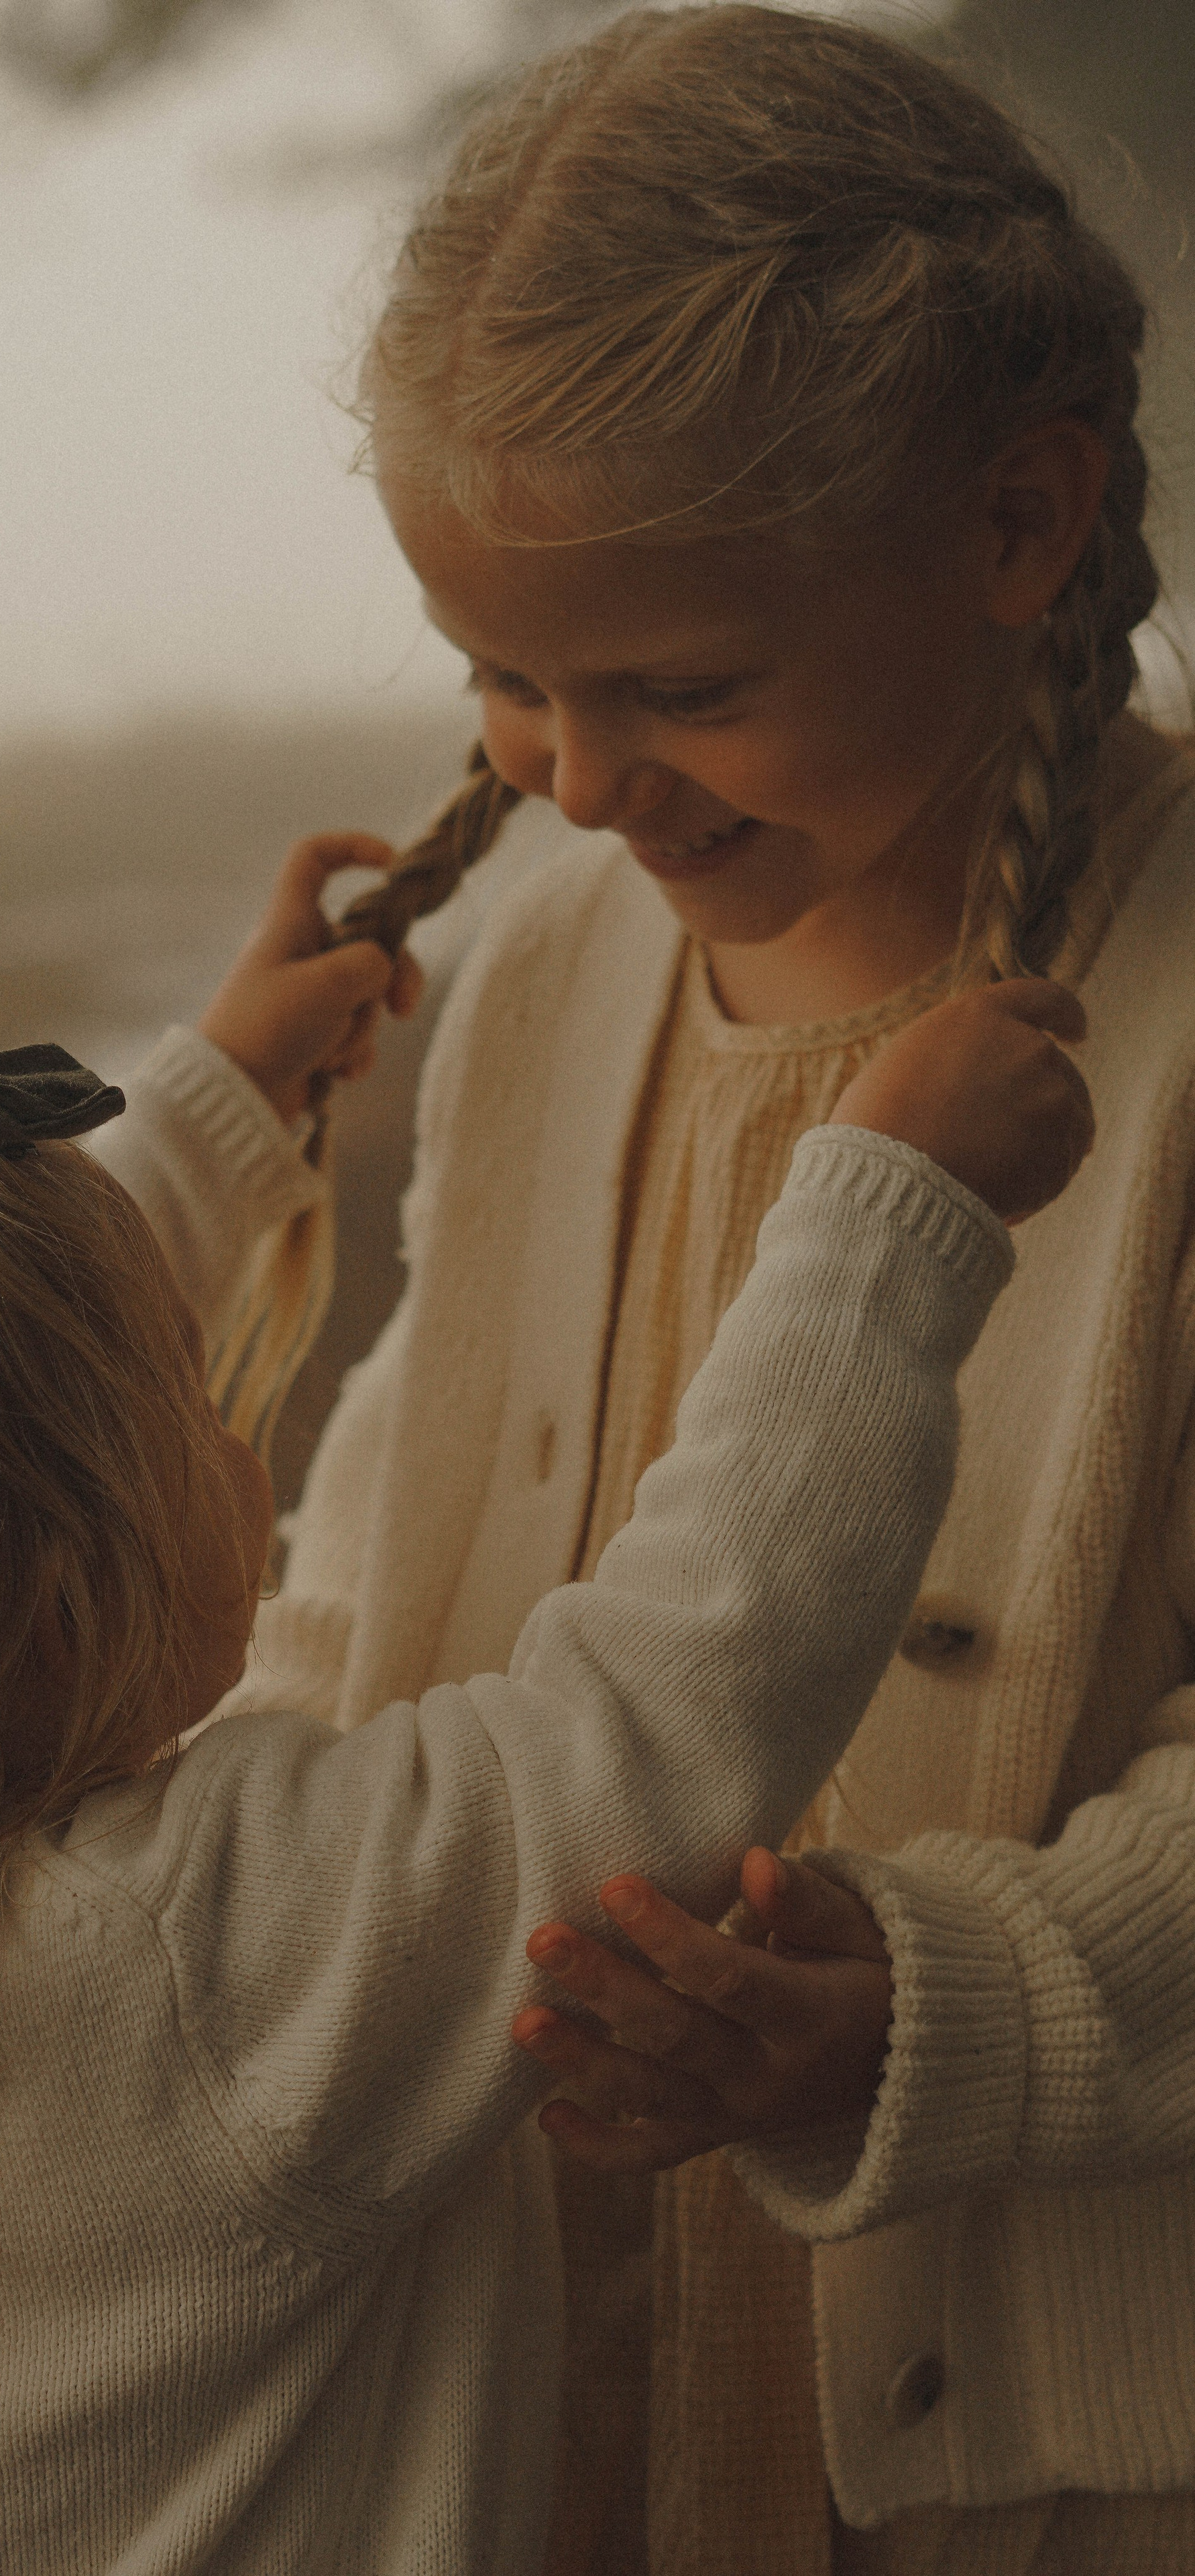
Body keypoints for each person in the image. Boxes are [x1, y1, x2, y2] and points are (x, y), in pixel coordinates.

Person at [95, 8, 1195, 2571]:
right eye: (505, 683)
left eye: (686, 690)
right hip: (524, 2399)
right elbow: (359, 1600)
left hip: (1033, 2457)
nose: (580, 787)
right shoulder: (544, 969)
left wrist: (916, 2004)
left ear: (1020, 520)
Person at [0, 1013, 1076, 2575]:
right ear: (56, 1612)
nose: (234, 1427)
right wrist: (887, 1210)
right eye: (189, 1395)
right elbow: (671, 1696)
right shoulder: (191, 1953)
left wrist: (220, 1100)